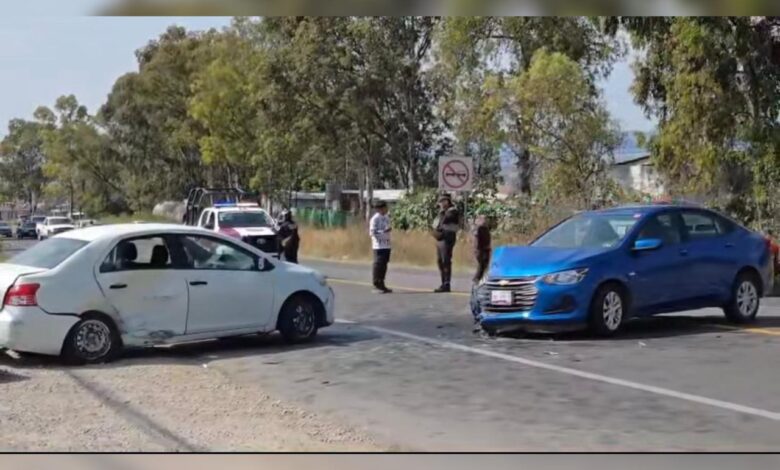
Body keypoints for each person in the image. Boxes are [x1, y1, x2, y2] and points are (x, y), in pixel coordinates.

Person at [432, 193, 460, 293]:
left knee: (446, 261)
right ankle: (443, 282)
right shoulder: (442, 212)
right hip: (440, 238)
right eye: (441, 201)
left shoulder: (452, 211)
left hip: (447, 239)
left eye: (444, 201)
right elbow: (435, 223)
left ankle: (446, 284)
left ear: (448, 201)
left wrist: (441, 212)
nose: (442, 203)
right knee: (440, 261)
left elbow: (444, 220)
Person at [369, 200, 392, 294]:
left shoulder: (386, 217)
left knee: (384, 265)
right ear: (380, 209)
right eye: (384, 207)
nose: (386, 209)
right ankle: (376, 284)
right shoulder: (375, 219)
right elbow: (372, 233)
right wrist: (384, 231)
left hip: (386, 244)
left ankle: (382, 283)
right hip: (378, 245)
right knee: (378, 265)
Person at [472, 214, 492, 284]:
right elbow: (477, 241)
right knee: (481, 264)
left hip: (486, 249)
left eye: (485, 219)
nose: (485, 220)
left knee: (485, 265)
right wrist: (478, 250)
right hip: (481, 250)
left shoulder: (485, 228)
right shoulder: (479, 228)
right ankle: (477, 278)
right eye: (483, 219)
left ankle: (480, 279)